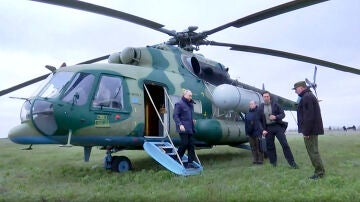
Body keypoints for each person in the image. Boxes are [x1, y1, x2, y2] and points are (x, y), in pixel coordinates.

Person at [293, 81, 325, 179]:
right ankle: (319, 171)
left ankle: (319, 173)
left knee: (313, 151)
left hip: (310, 131)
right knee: (313, 151)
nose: (295, 92)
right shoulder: (308, 96)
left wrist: (306, 131)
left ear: (301, 88)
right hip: (311, 130)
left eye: (296, 89)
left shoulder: (307, 97)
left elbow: (309, 116)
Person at [259, 91, 298, 168]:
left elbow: (283, 114)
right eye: (264, 97)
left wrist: (276, 117)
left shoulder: (276, 104)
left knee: (285, 144)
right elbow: (259, 120)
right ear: (262, 98)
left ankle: (292, 163)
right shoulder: (260, 107)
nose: (266, 98)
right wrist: (262, 130)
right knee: (270, 146)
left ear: (269, 97)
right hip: (267, 128)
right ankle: (273, 163)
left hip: (277, 126)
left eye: (267, 96)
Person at [173, 89, 197, 168]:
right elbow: (175, 116)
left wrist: (192, 120)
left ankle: (190, 163)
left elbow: (188, 115)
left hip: (190, 128)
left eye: (191, 95)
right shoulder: (179, 104)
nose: (191, 97)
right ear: (184, 95)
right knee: (184, 143)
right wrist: (180, 125)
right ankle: (177, 158)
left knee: (191, 145)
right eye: (189, 95)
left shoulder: (190, 105)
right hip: (183, 128)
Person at [245, 100, 264, 165]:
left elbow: (262, 122)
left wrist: (262, 130)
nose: (251, 105)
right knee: (253, 147)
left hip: (258, 132)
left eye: (252, 104)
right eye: (250, 104)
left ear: (255, 104)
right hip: (250, 134)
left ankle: (260, 160)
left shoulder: (259, 112)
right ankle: (255, 160)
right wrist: (246, 133)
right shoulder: (247, 114)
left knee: (259, 147)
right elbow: (246, 124)